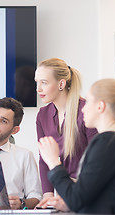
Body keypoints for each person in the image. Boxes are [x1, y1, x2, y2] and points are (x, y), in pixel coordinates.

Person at [36, 78, 115, 215]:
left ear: (100, 106)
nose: (84, 108)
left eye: (88, 102)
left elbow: (75, 199)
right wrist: (69, 204)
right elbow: (92, 196)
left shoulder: (108, 143)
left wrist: (53, 162)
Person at [35, 58, 98, 203]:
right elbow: (44, 160)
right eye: (37, 82)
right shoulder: (42, 115)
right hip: (64, 195)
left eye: (44, 82)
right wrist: (48, 197)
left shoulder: (87, 112)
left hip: (87, 193)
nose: (38, 89)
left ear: (61, 84)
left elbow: (96, 160)